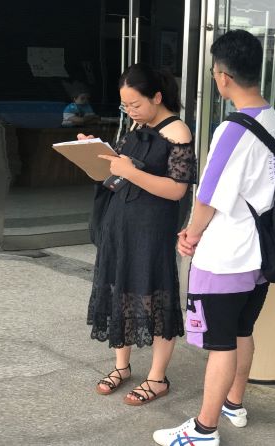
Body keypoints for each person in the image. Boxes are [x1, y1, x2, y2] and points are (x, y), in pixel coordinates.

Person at [153, 30, 275, 445]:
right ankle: (234, 403)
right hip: (261, 252)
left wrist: (190, 235)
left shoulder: (233, 129)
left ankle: (203, 430)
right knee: (243, 330)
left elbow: (207, 197)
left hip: (226, 255)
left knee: (221, 343)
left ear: (223, 76)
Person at [85, 63, 197, 406]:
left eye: (135, 104)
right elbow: (117, 172)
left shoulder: (177, 131)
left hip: (152, 224)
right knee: (118, 287)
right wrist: (93, 155)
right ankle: (121, 366)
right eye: (125, 106)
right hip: (119, 219)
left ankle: (157, 378)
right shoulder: (137, 125)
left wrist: (129, 171)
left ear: (157, 97)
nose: (130, 111)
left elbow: (177, 189)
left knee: (156, 292)